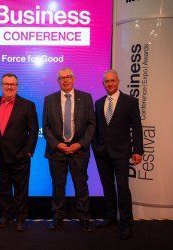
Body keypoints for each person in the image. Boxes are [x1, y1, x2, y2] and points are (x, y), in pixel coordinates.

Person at [92, 69, 143, 240]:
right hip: (102, 153)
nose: (110, 84)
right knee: (107, 187)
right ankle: (110, 217)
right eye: (107, 81)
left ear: (118, 81)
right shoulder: (98, 103)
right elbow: (97, 128)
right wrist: (95, 147)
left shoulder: (130, 101)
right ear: (103, 84)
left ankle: (126, 223)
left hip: (121, 153)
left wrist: (138, 150)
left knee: (122, 188)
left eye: (113, 80)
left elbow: (137, 128)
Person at [43, 68, 96, 232]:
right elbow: (45, 127)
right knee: (58, 186)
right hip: (56, 151)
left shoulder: (86, 97)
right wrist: (57, 144)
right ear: (57, 81)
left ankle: (84, 218)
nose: (65, 80)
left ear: (74, 79)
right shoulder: (49, 99)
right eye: (61, 78)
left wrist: (80, 144)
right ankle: (57, 217)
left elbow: (91, 125)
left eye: (68, 77)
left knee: (81, 185)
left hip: (78, 150)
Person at [0, 73, 39, 232]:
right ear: (1, 85)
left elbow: (34, 130)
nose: (9, 87)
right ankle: (6, 216)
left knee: (21, 189)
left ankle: (21, 218)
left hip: (20, 156)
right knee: (3, 188)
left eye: (13, 84)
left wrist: (29, 152)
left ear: (17, 86)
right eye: (6, 84)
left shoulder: (27, 105)